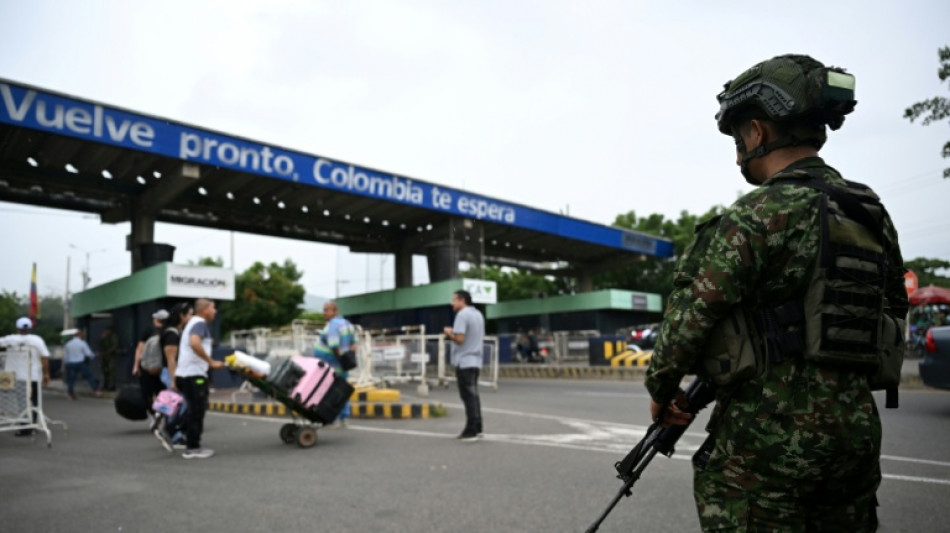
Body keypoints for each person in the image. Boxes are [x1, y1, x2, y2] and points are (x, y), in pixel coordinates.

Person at [644, 54, 907, 531]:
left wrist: (661, 393)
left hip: (766, 437)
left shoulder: (756, 215)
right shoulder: (870, 212)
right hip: (855, 435)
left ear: (758, 132)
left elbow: (688, 322)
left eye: (739, 135)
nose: (739, 149)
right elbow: (893, 309)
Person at [174, 298, 224, 459]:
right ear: (205, 310)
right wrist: (210, 362)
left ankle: (173, 431)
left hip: (186, 374)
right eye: (213, 308)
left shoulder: (193, 323)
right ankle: (193, 448)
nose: (215, 311)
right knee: (197, 411)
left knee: (192, 409)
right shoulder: (199, 323)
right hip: (193, 375)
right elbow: (194, 343)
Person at [443, 290, 485, 442]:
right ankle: (478, 426)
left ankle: (471, 429)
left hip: (464, 361)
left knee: (468, 396)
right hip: (476, 360)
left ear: (462, 301)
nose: (452, 303)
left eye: (454, 300)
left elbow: (459, 339)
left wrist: (449, 333)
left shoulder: (462, 315)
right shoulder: (478, 314)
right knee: (473, 395)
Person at [153, 302, 193, 452]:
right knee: (179, 404)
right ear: (181, 316)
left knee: (176, 404)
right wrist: (174, 379)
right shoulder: (171, 333)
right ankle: (172, 433)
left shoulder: (176, 332)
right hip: (171, 372)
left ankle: (173, 431)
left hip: (174, 372)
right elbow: (171, 359)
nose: (191, 317)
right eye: (189, 314)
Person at [0, 317, 51, 436]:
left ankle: (25, 427)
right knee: (35, 401)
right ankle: (34, 423)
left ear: (17, 328)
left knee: (23, 401)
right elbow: (44, 357)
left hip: (18, 377)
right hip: (33, 376)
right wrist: (47, 374)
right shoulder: (37, 340)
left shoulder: (10, 339)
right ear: (30, 328)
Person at [312, 301, 355, 428]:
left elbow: (334, 345)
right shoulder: (347, 324)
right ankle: (344, 418)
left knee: (331, 390)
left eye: (327, 310)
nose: (324, 313)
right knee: (342, 389)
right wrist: (347, 358)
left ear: (335, 311)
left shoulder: (333, 324)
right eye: (324, 310)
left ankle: (333, 418)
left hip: (332, 363)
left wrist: (339, 357)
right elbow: (354, 343)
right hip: (341, 364)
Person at [133, 309, 170, 427]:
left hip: (147, 368)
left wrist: (136, 366)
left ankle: (155, 415)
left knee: (147, 395)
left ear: (157, 320)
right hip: (163, 369)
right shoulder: (169, 332)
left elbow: (140, 349)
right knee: (162, 394)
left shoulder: (149, 331)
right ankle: (163, 416)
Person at [63, 329, 101, 400]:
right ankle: (96, 391)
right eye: (82, 335)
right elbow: (88, 354)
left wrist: (65, 364)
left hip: (70, 363)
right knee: (89, 376)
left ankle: (70, 394)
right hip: (79, 363)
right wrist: (95, 355)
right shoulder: (82, 343)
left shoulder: (68, 344)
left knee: (71, 379)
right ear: (80, 335)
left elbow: (65, 355)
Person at [98, 327, 119, 391]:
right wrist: (102, 339)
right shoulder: (105, 337)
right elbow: (101, 345)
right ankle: (105, 385)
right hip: (105, 356)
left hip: (110, 356)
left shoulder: (113, 337)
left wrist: (107, 352)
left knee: (111, 371)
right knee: (105, 371)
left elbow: (114, 346)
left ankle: (111, 386)